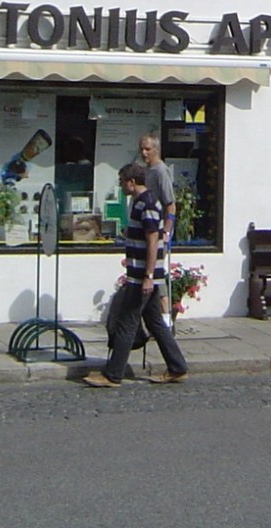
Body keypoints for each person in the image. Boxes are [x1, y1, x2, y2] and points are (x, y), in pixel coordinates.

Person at [83, 162, 188, 387]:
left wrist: (148, 276)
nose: (121, 186)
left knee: (127, 322)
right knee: (156, 322)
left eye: (122, 181)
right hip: (143, 275)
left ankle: (113, 374)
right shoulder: (141, 202)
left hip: (142, 277)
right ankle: (177, 367)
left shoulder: (147, 203)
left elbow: (153, 240)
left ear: (132, 182)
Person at [138, 133, 176, 242]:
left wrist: (166, 232)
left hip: (158, 228)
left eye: (147, 149)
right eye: (141, 149)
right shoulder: (145, 170)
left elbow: (170, 205)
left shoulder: (161, 171)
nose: (144, 153)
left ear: (156, 150)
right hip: (147, 226)